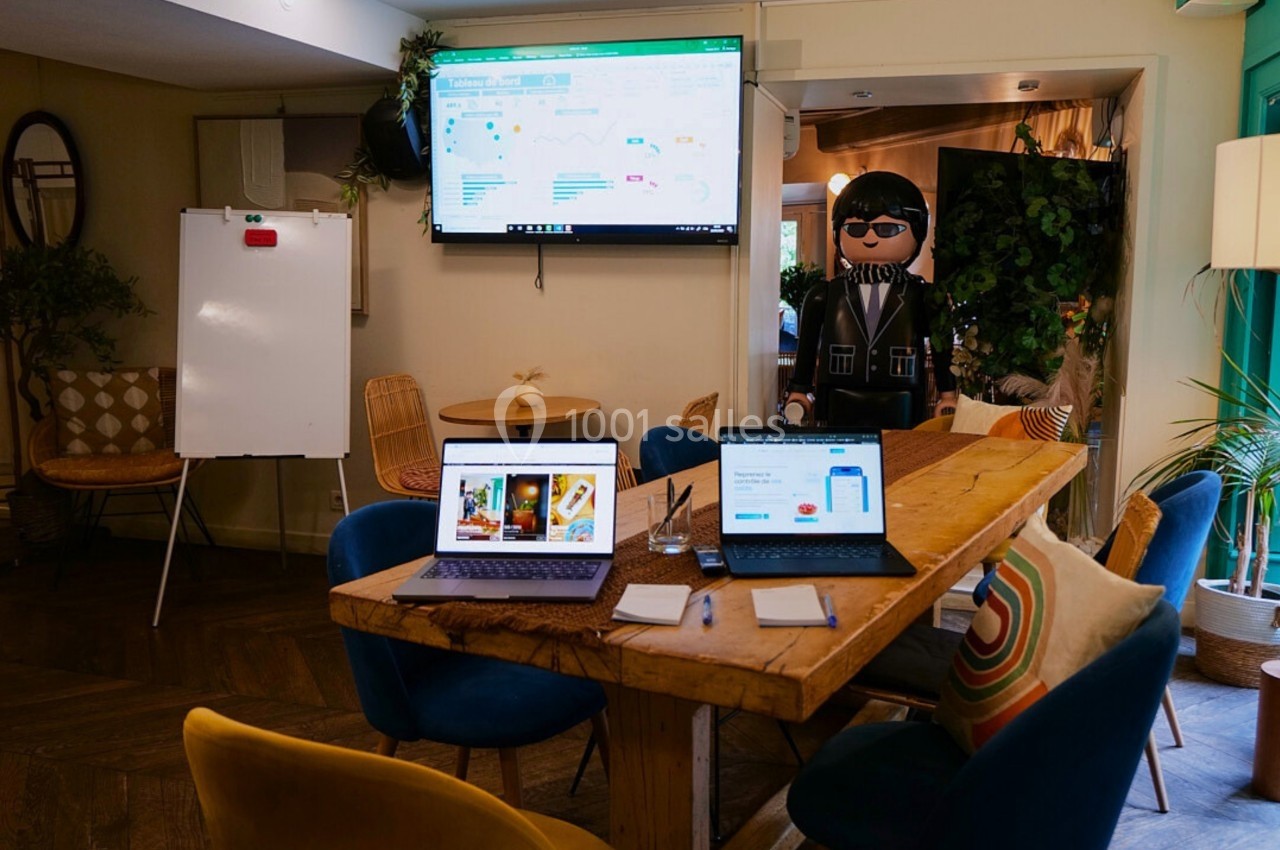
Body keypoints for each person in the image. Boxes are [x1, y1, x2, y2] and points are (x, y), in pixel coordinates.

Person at [785, 171, 955, 427]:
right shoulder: (826, 293)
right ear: (838, 232)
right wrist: (799, 389)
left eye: (887, 228)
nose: (870, 237)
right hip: (838, 395)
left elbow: (942, 349)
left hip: (902, 395)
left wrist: (947, 393)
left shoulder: (922, 295)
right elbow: (807, 346)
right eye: (856, 228)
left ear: (917, 232)